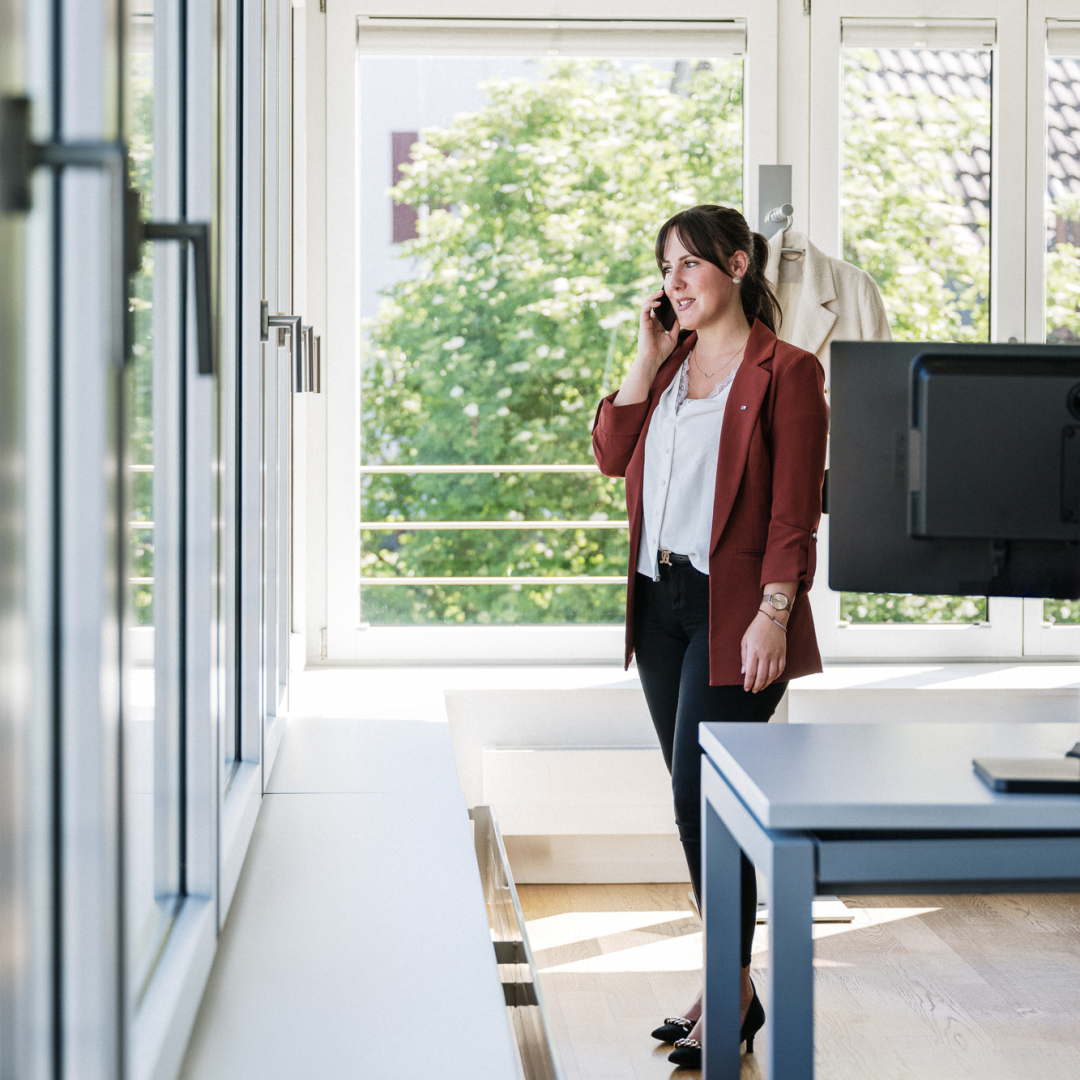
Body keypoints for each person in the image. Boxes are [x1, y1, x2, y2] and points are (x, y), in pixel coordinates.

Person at [591, 204, 828, 1069]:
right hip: (659, 604)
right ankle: (727, 983)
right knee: (695, 803)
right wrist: (645, 358)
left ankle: (727, 994)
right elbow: (612, 455)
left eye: (689, 265)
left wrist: (774, 610)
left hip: (737, 610)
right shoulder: (671, 362)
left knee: (708, 799)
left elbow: (794, 509)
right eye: (664, 269)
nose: (673, 283)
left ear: (736, 266)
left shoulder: (786, 371)